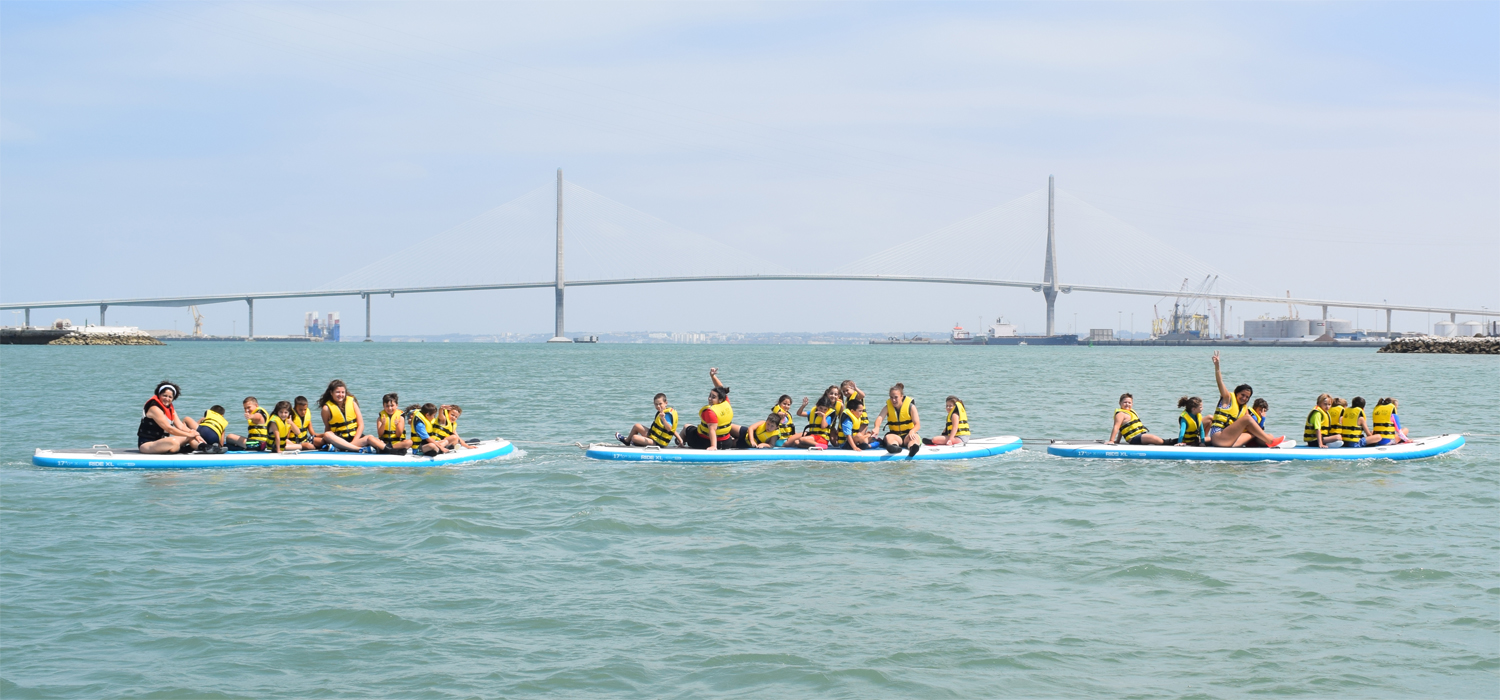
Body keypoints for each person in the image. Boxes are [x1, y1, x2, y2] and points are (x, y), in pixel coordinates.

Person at [137, 381, 205, 454]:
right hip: (147, 444)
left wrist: (194, 433)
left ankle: (204, 447)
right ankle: (184, 448)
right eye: (164, 395)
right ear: (159, 394)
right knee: (174, 442)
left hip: (163, 441)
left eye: (170, 397)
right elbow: (169, 429)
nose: (167, 399)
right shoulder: (154, 408)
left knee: (191, 436)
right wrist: (190, 434)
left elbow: (181, 426)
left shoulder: (170, 408)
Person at [319, 379, 381, 452]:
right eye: (337, 392)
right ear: (331, 393)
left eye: (343, 392)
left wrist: (354, 442)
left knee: (371, 437)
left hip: (355, 438)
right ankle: (357, 449)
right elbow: (328, 427)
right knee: (327, 434)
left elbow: (361, 425)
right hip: (339, 439)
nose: (340, 395)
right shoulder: (326, 409)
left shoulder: (352, 403)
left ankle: (346, 448)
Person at [682, 369, 737, 450]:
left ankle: (679, 444)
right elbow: (721, 388)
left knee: (686, 427)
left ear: (720, 399)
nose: (709, 398)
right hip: (727, 443)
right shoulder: (725, 402)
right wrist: (713, 376)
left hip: (706, 442)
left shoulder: (710, 411)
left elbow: (712, 430)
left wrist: (713, 446)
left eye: (713, 397)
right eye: (710, 395)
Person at [1209, 352, 1253, 438]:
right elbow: (1220, 382)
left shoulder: (1244, 409)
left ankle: (1266, 441)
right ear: (1237, 393)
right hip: (1219, 436)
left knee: (1251, 433)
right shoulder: (1227, 398)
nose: (1244, 398)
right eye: (1242, 395)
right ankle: (1269, 440)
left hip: (1228, 437)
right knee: (1247, 419)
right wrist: (1217, 366)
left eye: (1247, 397)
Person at [1209, 397, 1285, 447]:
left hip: (1239, 437)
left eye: (1264, 411)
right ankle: (1270, 442)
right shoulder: (1252, 416)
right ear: (1255, 408)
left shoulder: (1252, 414)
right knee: (1264, 435)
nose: (1262, 412)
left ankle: (1269, 441)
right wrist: (1263, 419)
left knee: (1269, 435)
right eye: (1260, 410)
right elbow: (1258, 430)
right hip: (1235, 439)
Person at [874, 383, 922, 456]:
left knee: (914, 438)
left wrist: (912, 431)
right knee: (888, 437)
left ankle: (913, 448)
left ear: (901, 397)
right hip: (895, 436)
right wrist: (877, 427)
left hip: (908, 435)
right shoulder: (887, 407)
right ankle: (895, 447)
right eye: (891, 397)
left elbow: (917, 424)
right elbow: (879, 418)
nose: (893, 400)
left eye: (896, 397)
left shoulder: (911, 407)